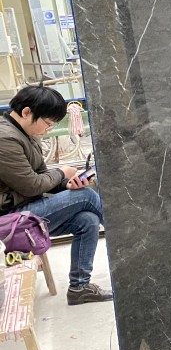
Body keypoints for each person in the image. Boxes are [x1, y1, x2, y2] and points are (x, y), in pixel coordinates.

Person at [0, 84, 111, 305]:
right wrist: (62, 172)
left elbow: (42, 177)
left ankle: (79, 287)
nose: (48, 130)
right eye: (48, 123)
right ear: (27, 112)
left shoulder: (26, 133)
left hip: (26, 212)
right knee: (86, 197)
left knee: (87, 220)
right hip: (9, 219)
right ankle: (129, 243)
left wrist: (67, 183)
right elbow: (32, 186)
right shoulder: (5, 139)